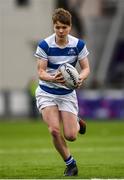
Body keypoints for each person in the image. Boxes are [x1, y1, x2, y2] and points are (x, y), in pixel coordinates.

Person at [34, 8, 90, 176]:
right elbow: (41, 72)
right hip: (47, 92)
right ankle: (71, 164)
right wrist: (52, 79)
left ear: (70, 27)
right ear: (53, 26)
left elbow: (86, 68)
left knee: (71, 136)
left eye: (64, 27)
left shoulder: (78, 45)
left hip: (66, 94)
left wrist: (80, 78)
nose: (60, 31)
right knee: (54, 130)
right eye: (57, 27)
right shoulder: (45, 45)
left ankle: (77, 121)